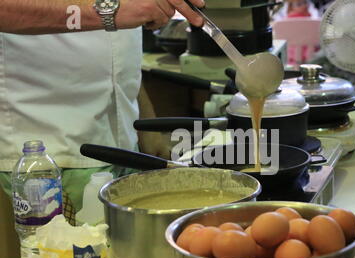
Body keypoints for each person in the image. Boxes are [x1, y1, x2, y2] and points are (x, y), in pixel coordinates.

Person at [0, 0, 204, 224]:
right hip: (52, 153)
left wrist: (143, 117)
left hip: (125, 145)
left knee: (132, 254)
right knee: (70, 257)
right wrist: (109, 11)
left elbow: (114, 47)